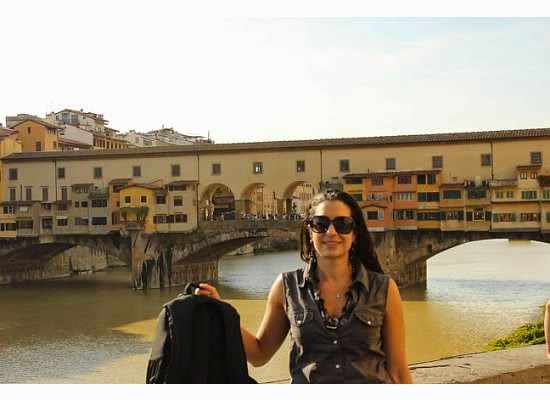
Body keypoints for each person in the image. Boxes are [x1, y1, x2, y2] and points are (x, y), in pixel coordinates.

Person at [196, 189, 412, 383]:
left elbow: (398, 372)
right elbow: (260, 354)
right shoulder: (286, 287)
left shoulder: (383, 289)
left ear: (354, 234)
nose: (331, 232)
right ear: (310, 232)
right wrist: (221, 310)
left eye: (342, 224)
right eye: (321, 224)